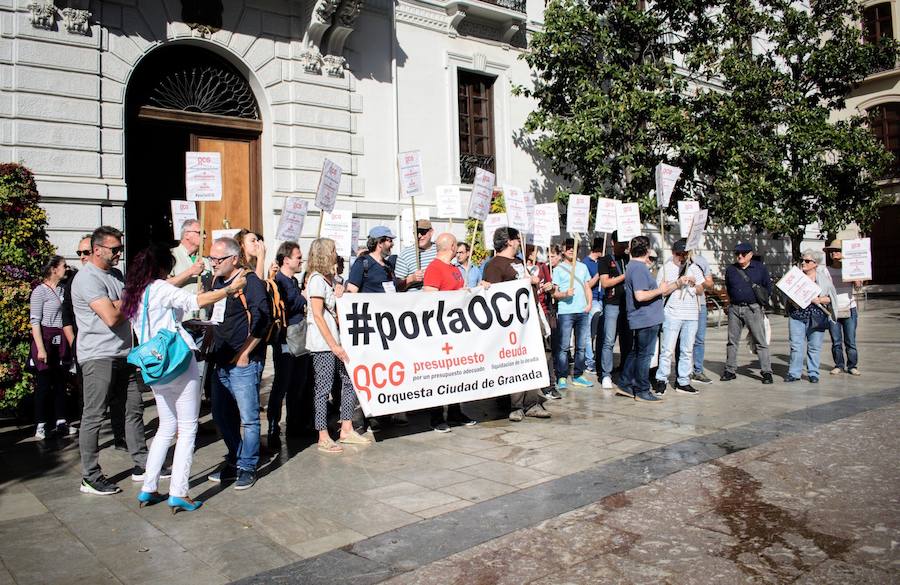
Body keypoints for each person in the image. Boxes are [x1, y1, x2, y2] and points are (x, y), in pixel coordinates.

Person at [121, 243, 246, 512]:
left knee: (166, 426)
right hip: (178, 361)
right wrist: (228, 290)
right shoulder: (160, 288)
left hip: (153, 366)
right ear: (160, 267)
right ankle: (179, 491)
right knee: (187, 428)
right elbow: (194, 302)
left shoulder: (135, 294)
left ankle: (149, 487)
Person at [71, 226, 149, 495]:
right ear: (97, 250)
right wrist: (123, 302)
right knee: (93, 415)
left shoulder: (115, 274)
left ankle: (143, 465)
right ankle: (90, 476)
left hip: (124, 353)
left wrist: (120, 302)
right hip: (98, 355)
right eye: (115, 249)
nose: (119, 253)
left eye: (121, 248)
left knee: (134, 408)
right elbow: (112, 317)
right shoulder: (86, 278)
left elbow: (127, 306)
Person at [206, 237, 271, 490]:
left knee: (249, 418)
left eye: (218, 259)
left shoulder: (250, 282)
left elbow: (263, 320)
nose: (213, 263)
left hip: (243, 362)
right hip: (220, 360)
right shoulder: (216, 282)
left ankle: (247, 466)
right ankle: (236, 457)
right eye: (211, 258)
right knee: (221, 416)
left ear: (234, 258)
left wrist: (245, 353)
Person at [306, 238, 372, 453]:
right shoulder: (316, 280)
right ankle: (322, 434)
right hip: (324, 344)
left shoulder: (329, 280)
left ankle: (346, 426)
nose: (336, 253)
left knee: (349, 380)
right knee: (323, 388)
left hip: (336, 341)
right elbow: (317, 315)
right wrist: (333, 344)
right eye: (333, 250)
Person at [482, 227, 551, 422]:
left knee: (536, 357)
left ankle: (532, 402)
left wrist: (536, 283)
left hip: (530, 317)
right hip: (511, 324)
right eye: (516, 239)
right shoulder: (494, 265)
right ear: (509, 241)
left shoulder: (520, 262)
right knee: (515, 360)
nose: (519, 242)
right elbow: (494, 294)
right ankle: (516, 405)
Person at [422, 233, 479, 432]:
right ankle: (436, 416)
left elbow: (461, 293)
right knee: (439, 373)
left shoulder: (453, 269)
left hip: (457, 330)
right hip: (441, 330)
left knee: (457, 371)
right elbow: (430, 299)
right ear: (453, 246)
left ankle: (455, 411)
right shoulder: (434, 268)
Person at [617, 235, 677, 403]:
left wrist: (675, 284)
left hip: (645, 317)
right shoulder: (638, 268)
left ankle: (625, 383)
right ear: (647, 250)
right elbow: (640, 295)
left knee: (637, 352)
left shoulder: (634, 266)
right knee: (645, 355)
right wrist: (659, 290)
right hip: (646, 318)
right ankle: (642, 389)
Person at [267, 241, 311, 440]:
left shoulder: (292, 280)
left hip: (299, 336)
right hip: (286, 338)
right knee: (282, 383)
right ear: (286, 260)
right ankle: (273, 427)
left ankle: (295, 423)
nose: (301, 260)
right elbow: (293, 302)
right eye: (298, 257)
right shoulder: (279, 281)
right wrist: (304, 295)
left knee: (298, 383)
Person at [30, 255, 76, 439]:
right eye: (64, 266)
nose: (67, 268)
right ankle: (40, 424)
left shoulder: (63, 290)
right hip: (46, 339)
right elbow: (35, 321)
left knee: (60, 383)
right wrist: (41, 349)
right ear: (53, 269)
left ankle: (61, 421)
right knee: (43, 384)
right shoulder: (39, 292)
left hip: (61, 339)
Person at [653, 238, 705, 396]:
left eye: (684, 253)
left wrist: (694, 285)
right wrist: (678, 282)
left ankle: (683, 380)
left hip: (691, 313)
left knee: (687, 350)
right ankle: (661, 379)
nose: (681, 257)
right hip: (673, 313)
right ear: (673, 253)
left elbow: (702, 289)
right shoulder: (665, 269)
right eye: (678, 254)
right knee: (667, 349)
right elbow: (662, 292)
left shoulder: (694, 268)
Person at [722, 242, 774, 384]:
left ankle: (766, 372)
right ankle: (730, 370)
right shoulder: (731, 270)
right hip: (735, 308)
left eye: (743, 254)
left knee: (760, 341)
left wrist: (760, 303)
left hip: (753, 308)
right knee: (732, 341)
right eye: (737, 254)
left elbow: (768, 287)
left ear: (750, 255)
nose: (740, 256)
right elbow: (728, 286)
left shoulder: (760, 268)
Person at [785, 250, 837, 383]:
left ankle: (813, 373)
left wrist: (818, 300)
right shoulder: (796, 278)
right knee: (796, 345)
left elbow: (830, 298)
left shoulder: (824, 279)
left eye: (807, 261)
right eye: (803, 260)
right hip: (797, 315)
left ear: (815, 264)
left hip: (817, 317)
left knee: (814, 346)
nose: (803, 263)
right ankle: (794, 373)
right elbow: (787, 294)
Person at [552, 238, 594, 390]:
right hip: (565, 312)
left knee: (581, 346)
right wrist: (565, 294)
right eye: (568, 247)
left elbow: (587, 287)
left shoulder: (582, 267)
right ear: (563, 251)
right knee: (563, 346)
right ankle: (562, 376)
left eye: (573, 247)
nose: (571, 249)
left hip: (582, 311)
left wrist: (589, 304)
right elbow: (555, 294)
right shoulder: (558, 269)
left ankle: (578, 375)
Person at [597, 232, 632, 391]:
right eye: (621, 243)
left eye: (626, 243)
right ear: (613, 242)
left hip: (628, 305)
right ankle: (606, 374)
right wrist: (624, 276)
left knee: (627, 341)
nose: (624, 246)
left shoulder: (630, 259)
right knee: (609, 340)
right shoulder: (605, 260)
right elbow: (605, 283)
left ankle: (625, 371)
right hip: (612, 304)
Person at [526, 245, 560, 400]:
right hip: (525, 314)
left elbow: (553, 289)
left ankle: (549, 385)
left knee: (547, 349)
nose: (535, 251)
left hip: (543, 312)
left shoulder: (543, 267)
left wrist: (550, 287)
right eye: (532, 249)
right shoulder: (519, 267)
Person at [824, 240, 862, 376]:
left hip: (849, 307)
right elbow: (824, 289)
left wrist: (856, 280)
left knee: (850, 340)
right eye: (832, 251)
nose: (835, 253)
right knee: (836, 341)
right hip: (833, 309)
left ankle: (852, 365)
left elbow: (858, 287)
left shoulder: (851, 268)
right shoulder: (826, 270)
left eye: (838, 250)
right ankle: (839, 365)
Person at [346, 226, 402, 293]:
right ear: (380, 243)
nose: (392, 244)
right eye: (389, 240)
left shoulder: (388, 265)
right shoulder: (362, 263)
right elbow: (351, 292)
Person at [689, 249, 715, 385]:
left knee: (699, 339)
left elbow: (710, 284)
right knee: (683, 340)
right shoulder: (673, 260)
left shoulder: (700, 261)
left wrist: (701, 280)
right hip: (682, 306)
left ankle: (698, 371)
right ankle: (683, 371)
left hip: (700, 304)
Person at [580, 237, 605, 373]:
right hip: (593, 300)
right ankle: (589, 361)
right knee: (589, 333)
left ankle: (599, 359)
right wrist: (598, 275)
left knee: (600, 332)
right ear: (598, 249)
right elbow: (587, 285)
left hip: (603, 299)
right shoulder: (585, 263)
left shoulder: (602, 261)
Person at [394, 219, 433, 291]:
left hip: (437, 298)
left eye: (423, 232)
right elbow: (398, 287)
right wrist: (412, 279)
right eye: (416, 232)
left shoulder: (440, 250)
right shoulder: (405, 255)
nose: (419, 236)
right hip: (415, 300)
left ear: (431, 232)